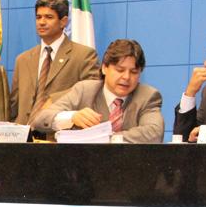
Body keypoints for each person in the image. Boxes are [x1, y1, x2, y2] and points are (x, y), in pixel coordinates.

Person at [32, 39, 164, 143]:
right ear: (104, 68)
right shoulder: (84, 90)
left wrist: (103, 138)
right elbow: (41, 119)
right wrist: (72, 117)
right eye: (120, 70)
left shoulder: (147, 96)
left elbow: (154, 132)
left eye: (134, 72)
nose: (126, 77)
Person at [10, 0, 99, 129]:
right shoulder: (22, 59)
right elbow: (14, 106)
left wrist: (54, 99)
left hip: (57, 136)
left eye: (49, 17)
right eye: (38, 17)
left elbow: (91, 92)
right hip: (22, 136)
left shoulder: (84, 55)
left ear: (63, 21)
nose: (41, 22)